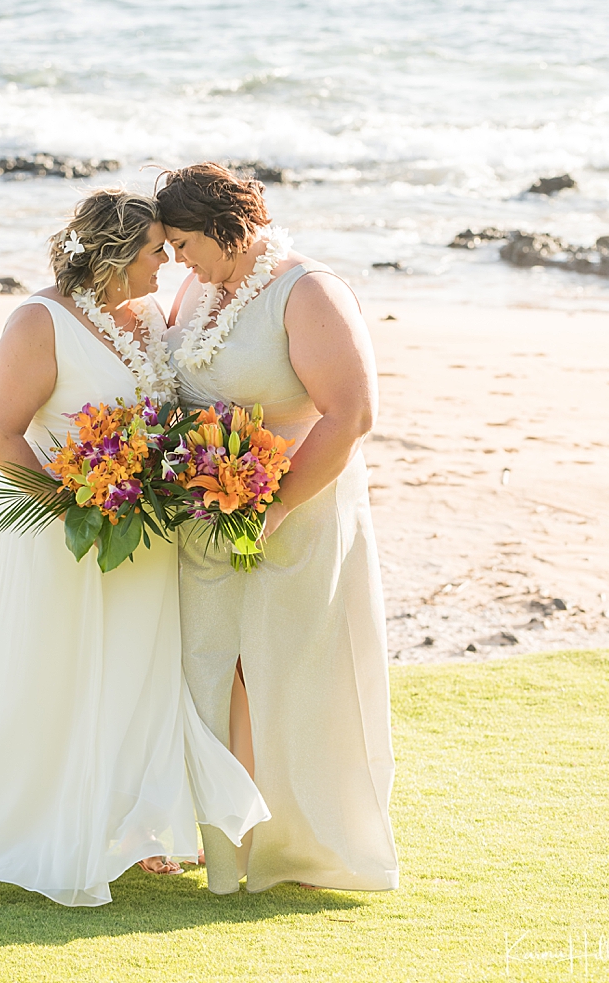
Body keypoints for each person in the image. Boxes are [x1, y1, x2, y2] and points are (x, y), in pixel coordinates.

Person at [0, 189, 269, 907]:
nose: (171, 261)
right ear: (120, 254)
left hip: (138, 538)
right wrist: (76, 504)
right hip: (58, 534)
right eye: (159, 249)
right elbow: (0, 435)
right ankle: (39, 830)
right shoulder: (38, 321)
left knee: (135, 677)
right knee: (53, 677)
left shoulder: (149, 316)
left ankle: (138, 829)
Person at [158, 162, 398, 896]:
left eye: (183, 242)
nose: (174, 260)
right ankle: (219, 842)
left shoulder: (309, 291)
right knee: (205, 670)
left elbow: (352, 414)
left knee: (279, 675)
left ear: (226, 229)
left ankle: (289, 846)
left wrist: (274, 506)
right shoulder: (198, 289)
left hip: (294, 517)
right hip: (204, 522)